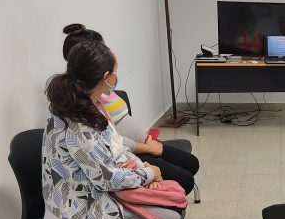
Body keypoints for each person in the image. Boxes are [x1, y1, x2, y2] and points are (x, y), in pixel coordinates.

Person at [43, 40, 185, 219]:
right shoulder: (78, 124)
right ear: (106, 80)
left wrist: (144, 169)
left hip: (96, 190)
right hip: (77, 205)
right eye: (115, 75)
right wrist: (148, 175)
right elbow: (106, 178)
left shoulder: (88, 107)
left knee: (173, 205)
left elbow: (116, 148)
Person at [61, 24, 199, 195]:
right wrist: (147, 167)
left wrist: (148, 148)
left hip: (134, 151)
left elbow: (112, 139)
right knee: (184, 180)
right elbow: (110, 156)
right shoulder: (81, 109)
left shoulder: (98, 96)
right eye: (103, 51)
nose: (109, 56)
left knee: (190, 165)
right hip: (128, 157)